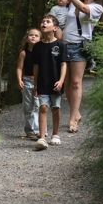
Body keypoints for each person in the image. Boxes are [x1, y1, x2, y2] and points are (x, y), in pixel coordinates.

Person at [57, 0, 103, 133]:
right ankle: (75, 112)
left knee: (76, 83)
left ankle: (72, 118)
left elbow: (84, 9)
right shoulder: (72, 4)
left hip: (79, 46)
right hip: (65, 45)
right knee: (67, 83)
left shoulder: (97, 7)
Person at [32, 15, 67, 150]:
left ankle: (56, 134)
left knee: (56, 108)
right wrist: (35, 85)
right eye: (42, 21)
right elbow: (36, 66)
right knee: (43, 107)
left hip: (56, 83)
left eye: (47, 21)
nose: (44, 23)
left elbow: (64, 64)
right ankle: (42, 138)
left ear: (55, 28)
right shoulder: (37, 47)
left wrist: (61, 80)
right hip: (42, 83)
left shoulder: (61, 45)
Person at [16, 28, 42, 140]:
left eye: (36, 35)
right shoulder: (23, 53)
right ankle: (30, 130)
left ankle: (38, 130)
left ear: (40, 39)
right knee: (28, 107)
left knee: (38, 106)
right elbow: (19, 68)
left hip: (39, 82)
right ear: (27, 38)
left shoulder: (42, 52)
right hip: (27, 81)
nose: (33, 37)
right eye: (31, 35)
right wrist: (19, 80)